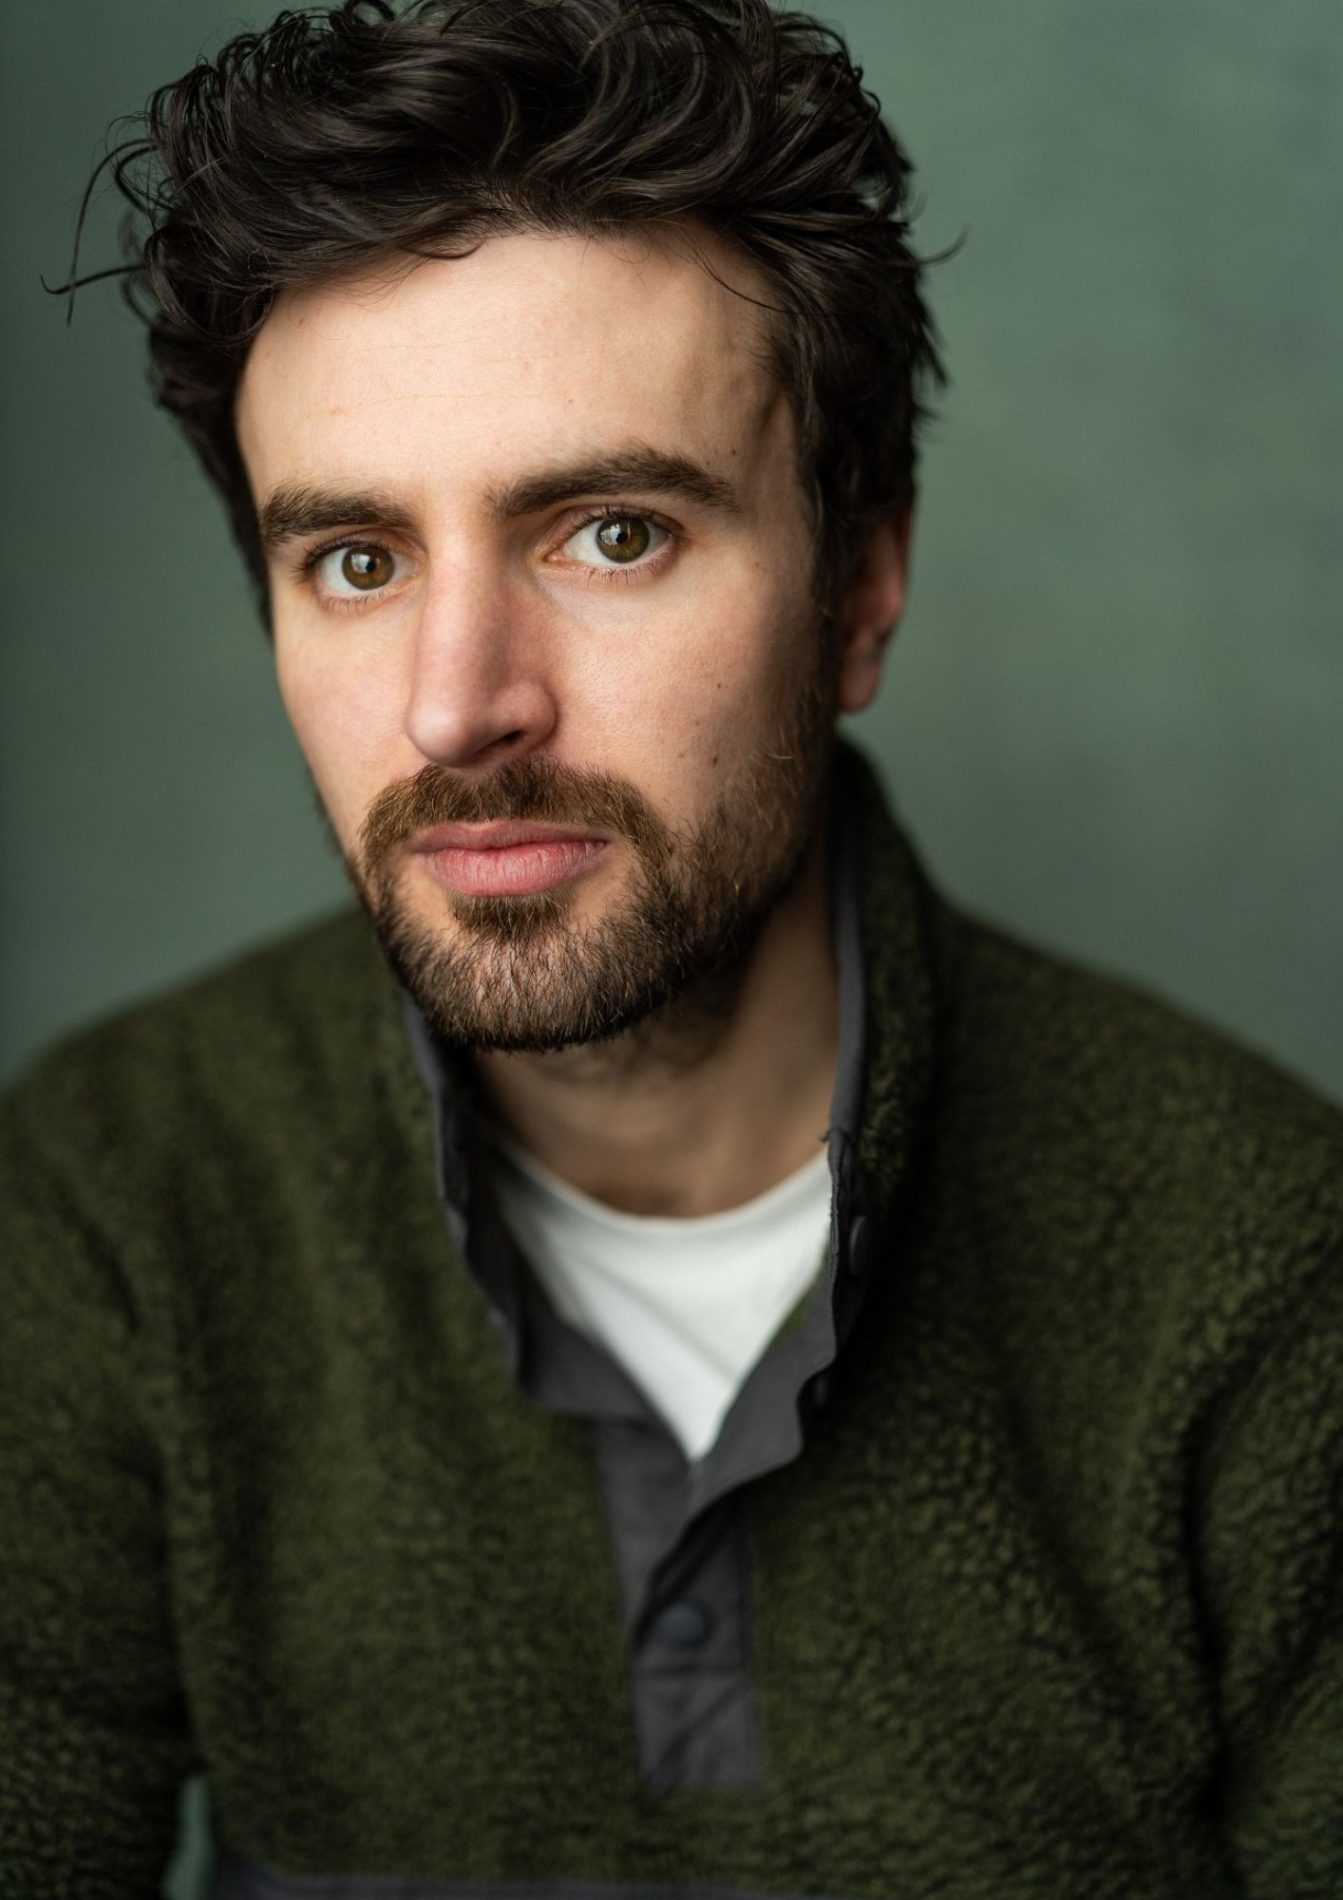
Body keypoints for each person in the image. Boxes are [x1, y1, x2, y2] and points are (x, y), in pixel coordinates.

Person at [3, 0, 1340, 1893]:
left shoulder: (1271, 1269)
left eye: (611, 532)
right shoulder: (109, 1206)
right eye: (358, 562)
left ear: (861, 584)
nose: (459, 707)